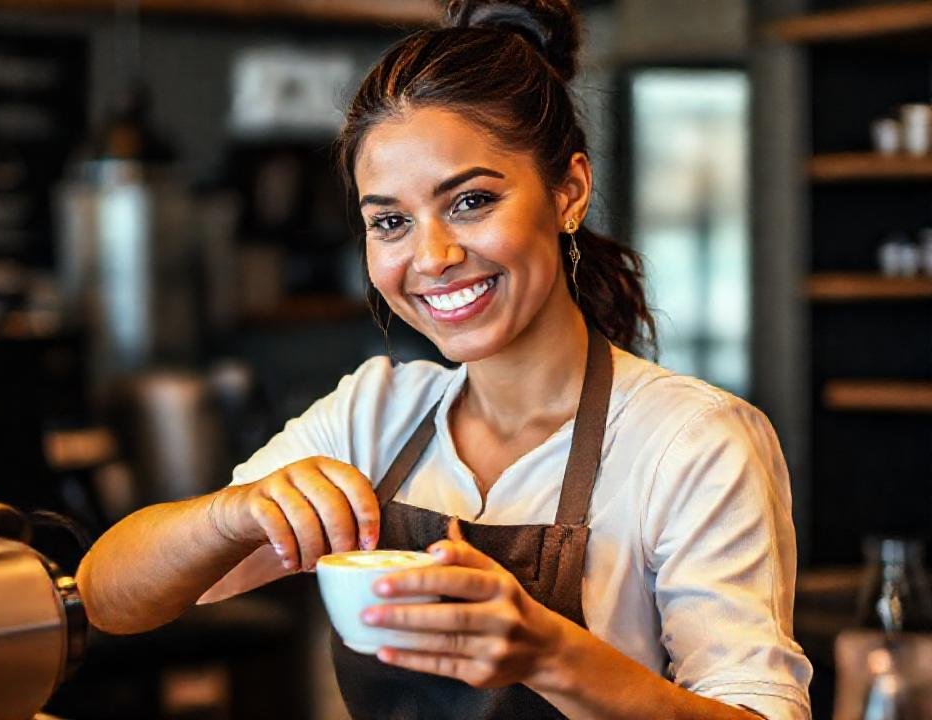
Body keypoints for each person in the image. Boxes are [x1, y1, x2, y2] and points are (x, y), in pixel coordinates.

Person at [77, 1, 813, 717]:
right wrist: (231, 514)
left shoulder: (692, 442)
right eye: (391, 221)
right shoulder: (372, 415)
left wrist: (550, 656)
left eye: (470, 202)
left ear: (570, 193)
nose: (432, 257)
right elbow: (109, 601)